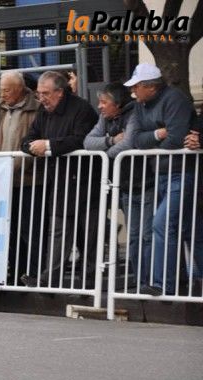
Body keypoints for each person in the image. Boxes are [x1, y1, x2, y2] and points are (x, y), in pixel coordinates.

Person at [19, 71, 99, 288]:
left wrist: (48, 145)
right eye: (39, 94)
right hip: (59, 183)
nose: (41, 98)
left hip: (85, 183)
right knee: (57, 233)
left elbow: (82, 140)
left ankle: (89, 282)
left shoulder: (82, 109)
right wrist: (32, 147)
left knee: (88, 237)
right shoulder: (44, 113)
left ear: (60, 92)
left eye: (45, 93)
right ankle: (49, 280)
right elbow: (27, 139)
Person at [125, 63, 199, 296]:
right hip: (161, 173)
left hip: (182, 172)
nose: (133, 91)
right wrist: (159, 133)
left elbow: (176, 138)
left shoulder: (174, 99)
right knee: (190, 228)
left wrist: (155, 140)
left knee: (162, 224)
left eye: (136, 86)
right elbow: (136, 140)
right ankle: (187, 280)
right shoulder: (140, 105)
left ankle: (163, 285)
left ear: (151, 87)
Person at [84, 82, 153, 289]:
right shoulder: (105, 118)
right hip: (125, 184)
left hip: (145, 182)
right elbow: (88, 142)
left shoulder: (134, 114)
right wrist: (111, 141)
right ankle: (140, 280)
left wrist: (105, 153)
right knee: (134, 235)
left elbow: (129, 143)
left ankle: (150, 280)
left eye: (104, 102)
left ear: (118, 104)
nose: (100, 106)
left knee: (147, 234)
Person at [0, 71, 41, 281]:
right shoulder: (3, 109)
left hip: (30, 180)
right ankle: (15, 272)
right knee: (10, 228)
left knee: (29, 229)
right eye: (1, 90)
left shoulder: (35, 109)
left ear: (20, 89)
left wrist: (15, 166)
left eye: (7, 90)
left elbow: (32, 143)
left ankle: (33, 272)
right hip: (6, 180)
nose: (2, 94)